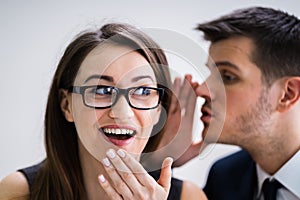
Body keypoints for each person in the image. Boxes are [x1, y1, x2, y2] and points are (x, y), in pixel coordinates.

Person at [0, 23, 206, 200]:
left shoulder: (188, 196)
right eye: (101, 90)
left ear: (158, 111)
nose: (122, 112)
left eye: (143, 91)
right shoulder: (19, 191)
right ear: (66, 105)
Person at [157, 6, 300, 200]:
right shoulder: (224, 178)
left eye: (228, 76)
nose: (201, 90)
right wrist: (163, 161)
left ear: (287, 94)